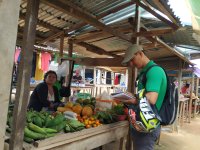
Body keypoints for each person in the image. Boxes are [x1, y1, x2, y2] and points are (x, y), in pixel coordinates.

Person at [121, 44, 167, 150]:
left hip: (149, 124)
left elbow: (151, 98)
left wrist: (133, 100)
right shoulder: (145, 72)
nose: (132, 64)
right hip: (142, 122)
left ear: (140, 54)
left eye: (132, 60)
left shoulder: (154, 71)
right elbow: (143, 95)